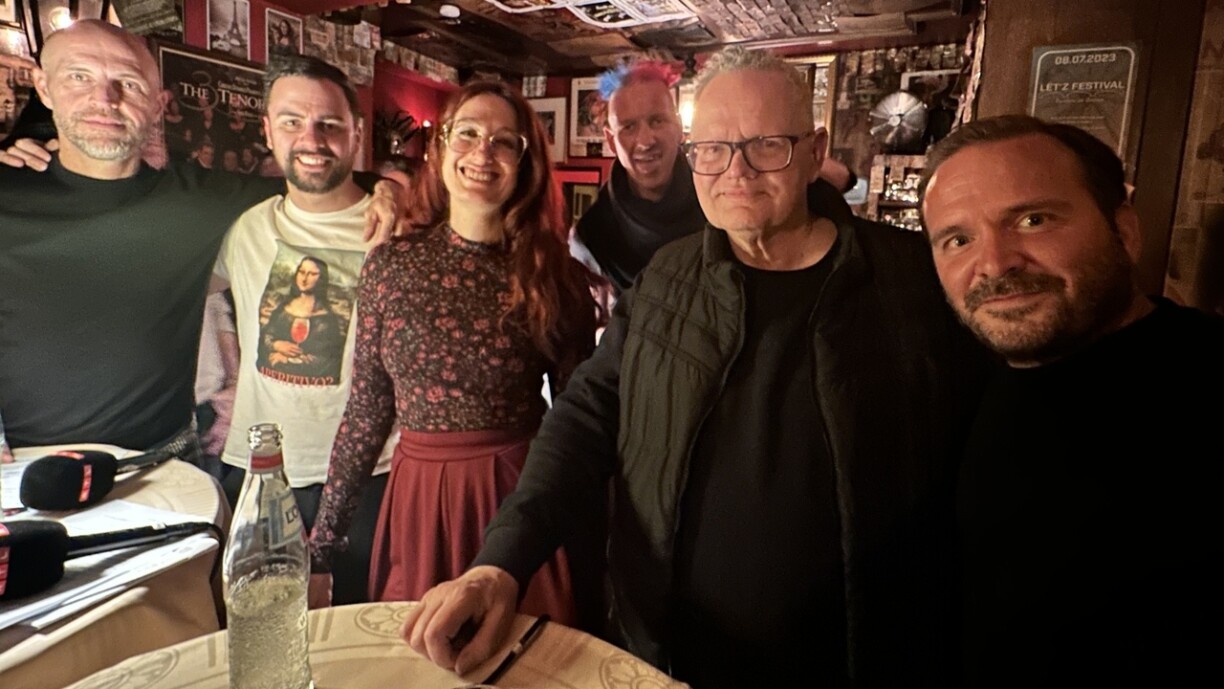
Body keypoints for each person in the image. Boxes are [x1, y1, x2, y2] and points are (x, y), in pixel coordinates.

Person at [403, 47, 982, 688]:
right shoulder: (664, 280)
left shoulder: (914, 282)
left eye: (766, 145)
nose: (736, 170)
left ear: (815, 151)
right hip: (666, 656)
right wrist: (500, 563)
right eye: (713, 149)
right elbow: (583, 421)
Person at [0, 20, 401, 460]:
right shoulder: (7, 191)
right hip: (18, 468)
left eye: (129, 83)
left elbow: (317, 179)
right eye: (79, 77)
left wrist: (388, 187)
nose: (105, 99)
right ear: (43, 87)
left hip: (164, 464)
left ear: (158, 104)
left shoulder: (205, 200)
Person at [920, 115, 1224, 686]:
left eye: (1033, 220)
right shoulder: (966, 388)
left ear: (1124, 231)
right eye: (958, 240)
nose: (995, 262)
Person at [308, 81, 599, 622]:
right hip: (417, 501)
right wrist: (320, 549)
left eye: (503, 141)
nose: (482, 153)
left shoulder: (557, 279)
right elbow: (367, 411)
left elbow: (579, 427)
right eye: (467, 134)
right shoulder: (389, 266)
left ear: (524, 163)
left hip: (515, 500)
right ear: (440, 148)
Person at [214, 55, 400, 605]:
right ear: (268, 130)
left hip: (376, 473)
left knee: (364, 628)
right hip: (262, 469)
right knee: (260, 622)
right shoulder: (244, 226)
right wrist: (224, 376)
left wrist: (393, 189)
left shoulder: (399, 228)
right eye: (292, 121)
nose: (311, 139)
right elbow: (199, 299)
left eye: (329, 124)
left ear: (357, 133)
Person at [569, 61, 704, 294]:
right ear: (611, 141)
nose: (645, 141)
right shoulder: (590, 239)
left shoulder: (720, 202)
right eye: (629, 127)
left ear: (678, 127)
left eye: (657, 121)